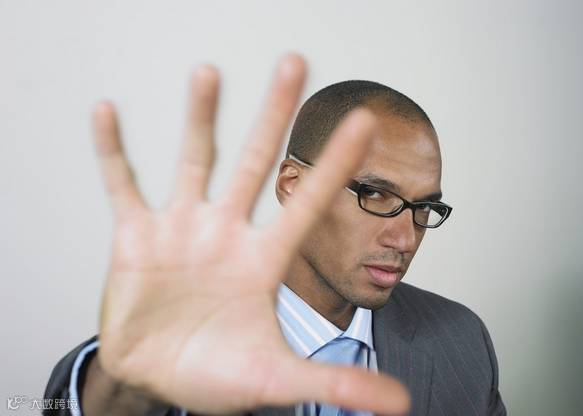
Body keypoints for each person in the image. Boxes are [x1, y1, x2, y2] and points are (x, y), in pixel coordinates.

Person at [43, 54, 506, 416]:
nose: (405, 239)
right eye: (375, 194)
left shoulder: (461, 339)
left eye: (424, 208)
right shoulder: (192, 334)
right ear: (293, 186)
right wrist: (124, 389)